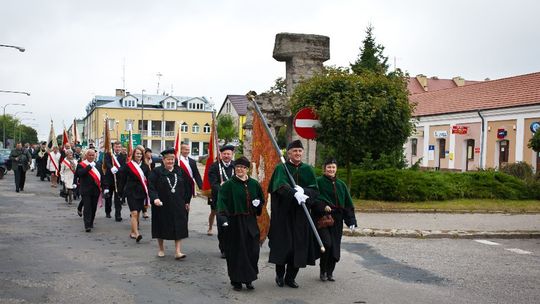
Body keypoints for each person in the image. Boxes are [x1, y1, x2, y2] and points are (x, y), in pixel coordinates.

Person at [268, 139, 319, 288]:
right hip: (284, 214)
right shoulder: (281, 168)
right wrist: (293, 193)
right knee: (284, 246)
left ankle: (291, 277)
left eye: (299, 151)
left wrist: (305, 192)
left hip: (301, 216)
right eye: (294, 151)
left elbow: (315, 190)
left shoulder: (308, 170)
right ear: (289, 153)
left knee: (298, 247)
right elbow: (279, 186)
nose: (297, 153)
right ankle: (279, 275)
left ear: (302, 153)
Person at [217, 156, 264, 291]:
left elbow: (261, 199)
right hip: (235, 222)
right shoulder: (228, 185)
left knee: (252, 250)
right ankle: (236, 280)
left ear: (247, 169)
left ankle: (249, 278)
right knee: (236, 252)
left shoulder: (254, 184)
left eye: (243, 167)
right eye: (237, 167)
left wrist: (258, 204)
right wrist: (224, 219)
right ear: (234, 168)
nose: (240, 169)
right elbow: (222, 202)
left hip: (250, 221)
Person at [313, 158, 357, 282]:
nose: (331, 169)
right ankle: (323, 271)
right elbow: (312, 198)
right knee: (327, 244)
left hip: (337, 219)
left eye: (333, 167)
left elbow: (348, 204)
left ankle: (330, 272)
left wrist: (351, 221)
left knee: (335, 247)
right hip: (323, 219)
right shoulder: (318, 182)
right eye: (329, 167)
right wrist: (322, 206)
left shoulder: (341, 184)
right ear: (324, 168)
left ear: (336, 168)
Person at [148, 148, 192, 259]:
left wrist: (187, 201)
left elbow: (188, 186)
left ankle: (178, 251)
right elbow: (151, 187)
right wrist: (155, 198)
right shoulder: (156, 172)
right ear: (163, 160)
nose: (170, 162)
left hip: (178, 203)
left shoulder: (180, 171)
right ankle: (161, 249)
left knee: (179, 225)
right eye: (168, 159)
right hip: (162, 204)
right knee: (161, 225)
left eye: (172, 159)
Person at [208, 144, 235, 257]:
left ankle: (233, 247)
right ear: (221, 155)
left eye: (228, 154)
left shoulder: (236, 166)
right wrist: (222, 189)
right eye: (224, 154)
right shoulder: (215, 167)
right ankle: (223, 248)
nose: (226, 156)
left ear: (232, 155)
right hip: (220, 201)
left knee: (233, 226)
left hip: (234, 202)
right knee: (222, 225)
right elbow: (213, 184)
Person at [119, 145, 150, 242]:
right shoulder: (128, 166)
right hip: (131, 191)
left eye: (141, 154)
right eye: (137, 153)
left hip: (141, 191)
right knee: (134, 212)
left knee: (138, 212)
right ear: (133, 155)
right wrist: (120, 193)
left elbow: (149, 179)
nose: (139, 155)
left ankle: (132, 232)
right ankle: (137, 234)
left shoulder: (145, 166)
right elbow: (122, 180)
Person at [75, 149, 108, 232]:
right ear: (86, 156)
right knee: (87, 207)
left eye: (93, 155)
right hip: (85, 189)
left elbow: (102, 177)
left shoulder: (98, 164)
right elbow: (80, 173)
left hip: (96, 190)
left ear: (95, 156)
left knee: (93, 207)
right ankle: (87, 225)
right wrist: (89, 167)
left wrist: (105, 187)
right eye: (89, 155)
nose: (91, 157)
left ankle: (91, 221)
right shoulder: (81, 165)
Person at [103, 141, 126, 221]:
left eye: (119, 147)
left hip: (119, 180)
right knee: (108, 198)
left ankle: (118, 215)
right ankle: (108, 212)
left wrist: (118, 170)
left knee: (118, 198)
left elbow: (124, 166)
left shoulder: (123, 156)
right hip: (109, 179)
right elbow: (107, 162)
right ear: (113, 147)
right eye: (116, 147)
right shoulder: (109, 155)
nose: (118, 148)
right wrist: (111, 168)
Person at [142, 147, 155, 219]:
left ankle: (145, 209)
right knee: (144, 196)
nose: (150, 154)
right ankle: (144, 211)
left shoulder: (152, 161)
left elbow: (153, 170)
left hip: (150, 180)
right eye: (148, 153)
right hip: (144, 180)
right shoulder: (143, 162)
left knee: (148, 196)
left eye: (150, 153)